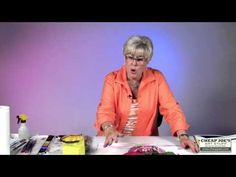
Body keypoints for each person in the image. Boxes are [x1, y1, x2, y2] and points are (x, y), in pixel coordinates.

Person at [94, 35, 198, 153]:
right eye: (130, 57)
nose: (134, 63)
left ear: (147, 60)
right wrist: (109, 128)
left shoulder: (157, 78)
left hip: (144, 144)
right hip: (112, 141)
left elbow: (171, 108)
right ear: (125, 58)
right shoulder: (111, 79)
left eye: (139, 59)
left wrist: (182, 135)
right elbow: (105, 109)